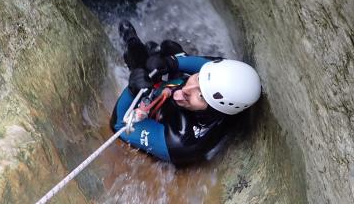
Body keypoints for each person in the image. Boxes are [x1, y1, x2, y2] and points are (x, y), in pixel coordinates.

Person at [110, 20, 261, 166]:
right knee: (170, 47)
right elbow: (204, 66)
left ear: (214, 110)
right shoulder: (223, 77)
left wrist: (132, 90)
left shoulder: (180, 141)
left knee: (145, 70)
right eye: (197, 78)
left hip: (168, 122)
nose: (187, 89)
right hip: (188, 108)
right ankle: (151, 57)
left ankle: (137, 57)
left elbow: (119, 125)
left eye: (201, 95)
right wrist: (170, 63)